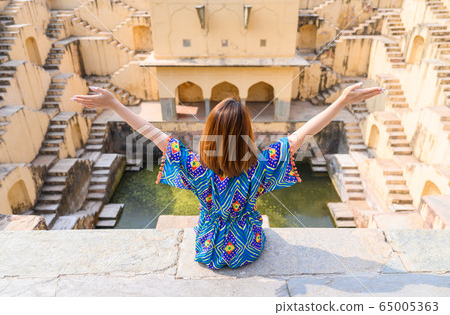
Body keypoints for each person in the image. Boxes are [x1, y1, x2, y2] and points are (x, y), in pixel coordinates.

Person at [71, 82, 384, 269]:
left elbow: (151, 131)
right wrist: (342, 101)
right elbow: (303, 132)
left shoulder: (195, 167)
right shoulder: (258, 167)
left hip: (208, 247)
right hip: (247, 245)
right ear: (247, 133)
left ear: (209, 134)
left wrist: (113, 103)